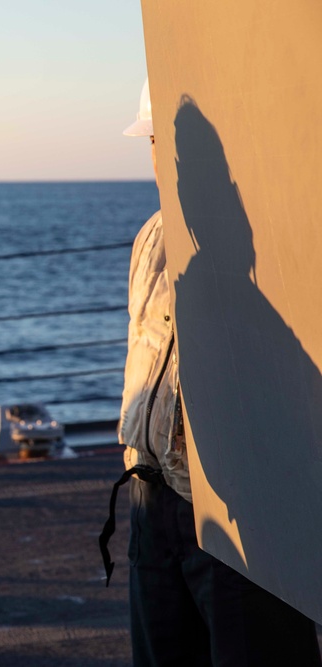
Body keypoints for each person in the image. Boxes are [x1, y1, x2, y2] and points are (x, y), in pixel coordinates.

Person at [100, 77, 321, 666]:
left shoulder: (272, 243)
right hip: (151, 504)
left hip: (237, 517)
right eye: (157, 144)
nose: (165, 163)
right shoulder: (150, 239)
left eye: (187, 153)